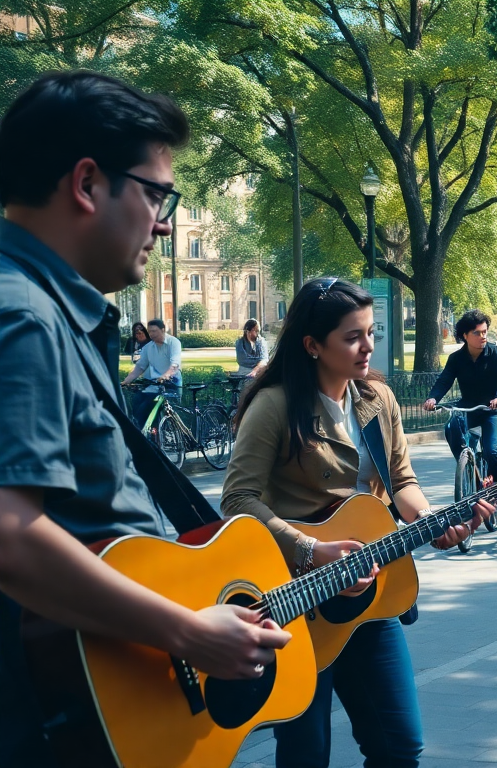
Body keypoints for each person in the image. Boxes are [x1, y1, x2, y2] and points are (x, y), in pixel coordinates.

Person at [0, 70, 291, 768]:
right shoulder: (23, 315)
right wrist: (190, 632)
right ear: (88, 183)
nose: (165, 223)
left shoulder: (49, 311)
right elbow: (10, 535)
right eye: (158, 194)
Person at [222, 277, 487, 768]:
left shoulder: (377, 400)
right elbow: (237, 499)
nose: (368, 347)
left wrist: (432, 519)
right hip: (297, 603)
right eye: (352, 337)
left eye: (370, 332)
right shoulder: (276, 404)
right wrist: (308, 547)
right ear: (313, 345)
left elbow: (402, 481)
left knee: (400, 746)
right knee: (307, 755)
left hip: (369, 596)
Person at [422, 309, 497, 524]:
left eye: (484, 332)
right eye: (477, 333)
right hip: (469, 407)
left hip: (494, 409)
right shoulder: (456, 359)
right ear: (465, 335)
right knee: (451, 427)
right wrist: (433, 398)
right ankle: (468, 467)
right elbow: (444, 380)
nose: (483, 337)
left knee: (492, 450)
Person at [120, 317, 182, 427]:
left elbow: (175, 364)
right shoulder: (148, 347)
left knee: (149, 406)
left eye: (154, 331)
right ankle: (145, 434)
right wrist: (125, 381)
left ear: (163, 330)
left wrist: (166, 375)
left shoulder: (174, 343)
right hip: (155, 383)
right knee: (137, 400)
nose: (151, 334)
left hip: (172, 382)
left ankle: (170, 434)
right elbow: (140, 367)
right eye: (149, 331)